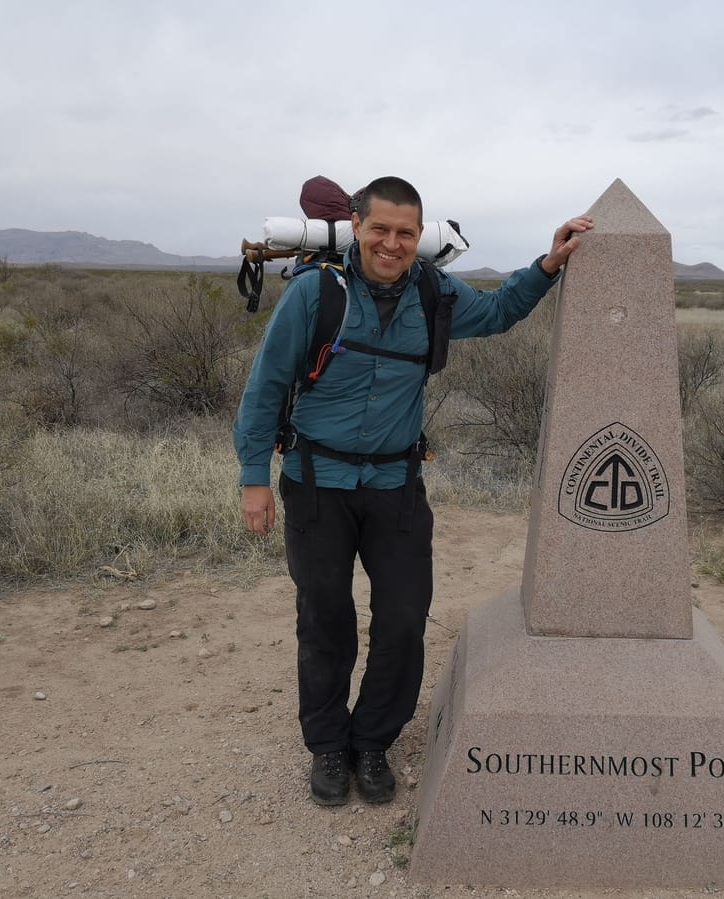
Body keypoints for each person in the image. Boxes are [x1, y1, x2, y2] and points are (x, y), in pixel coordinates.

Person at [234, 176, 591, 806]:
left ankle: (373, 741)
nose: (392, 244)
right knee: (326, 618)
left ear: (419, 235)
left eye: (406, 233)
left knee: (401, 618)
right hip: (317, 484)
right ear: (357, 226)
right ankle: (326, 746)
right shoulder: (317, 295)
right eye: (380, 230)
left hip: (397, 485)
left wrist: (548, 263)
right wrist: (253, 480)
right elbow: (265, 388)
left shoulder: (435, 291)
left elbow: (501, 310)